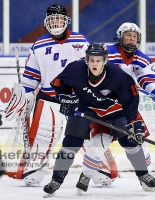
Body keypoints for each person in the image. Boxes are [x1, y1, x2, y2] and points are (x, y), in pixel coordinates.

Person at [43, 42, 155, 197]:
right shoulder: (75, 70)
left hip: (114, 112)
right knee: (70, 142)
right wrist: (65, 98)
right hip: (84, 109)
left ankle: (143, 174)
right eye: (92, 60)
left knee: (130, 141)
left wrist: (135, 123)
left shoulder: (119, 77)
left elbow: (130, 101)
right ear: (86, 60)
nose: (95, 63)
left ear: (105, 61)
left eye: (98, 60)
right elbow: (58, 84)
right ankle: (56, 180)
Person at [75, 22, 155, 193]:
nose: (132, 39)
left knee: (138, 142)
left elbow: (149, 80)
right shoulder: (105, 51)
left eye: (135, 36)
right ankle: (85, 175)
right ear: (120, 36)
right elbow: (81, 67)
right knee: (100, 141)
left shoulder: (141, 58)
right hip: (101, 106)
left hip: (126, 107)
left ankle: (146, 177)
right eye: (128, 35)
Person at [3, 4, 90, 186]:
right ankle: (36, 168)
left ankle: (98, 169)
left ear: (66, 21)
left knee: (88, 138)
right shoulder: (39, 45)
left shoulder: (81, 41)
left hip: (78, 100)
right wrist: (25, 98)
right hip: (50, 99)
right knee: (43, 137)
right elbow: (30, 80)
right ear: (47, 22)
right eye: (52, 19)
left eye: (59, 18)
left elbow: (94, 70)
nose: (56, 22)